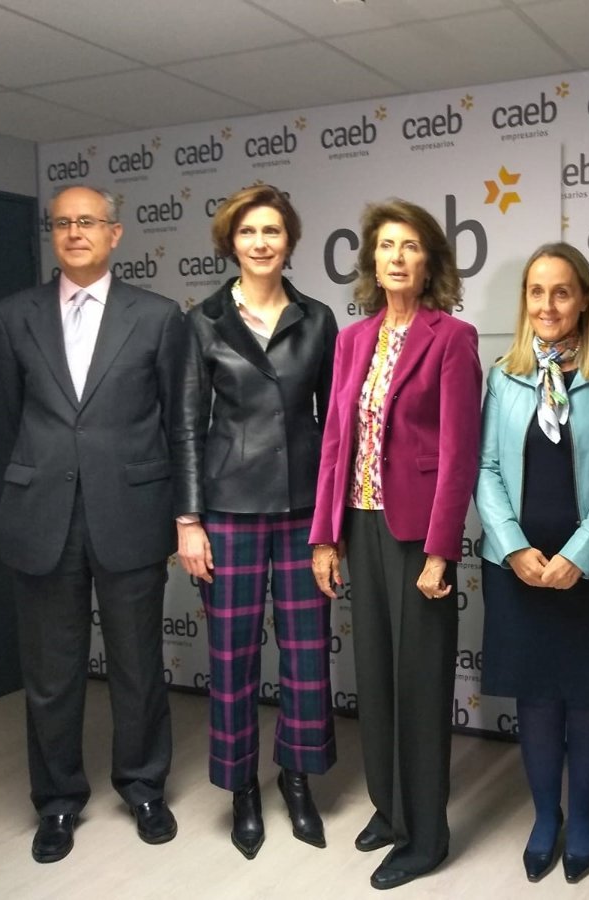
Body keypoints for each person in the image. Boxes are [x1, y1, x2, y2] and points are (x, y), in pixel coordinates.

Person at [0, 185, 184, 863]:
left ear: (115, 233)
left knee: (138, 668)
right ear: (53, 233)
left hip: (131, 513)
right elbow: (10, 417)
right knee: (51, 675)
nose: (74, 232)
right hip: (42, 516)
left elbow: (176, 422)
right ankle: (57, 802)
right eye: (63, 223)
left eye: (88, 222)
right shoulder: (11, 315)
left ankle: (144, 787)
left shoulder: (157, 316)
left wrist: (183, 513)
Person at [310, 199, 482, 891]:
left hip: (418, 536)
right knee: (375, 680)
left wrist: (442, 550)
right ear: (372, 262)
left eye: (410, 246)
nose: (398, 257)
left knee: (420, 686)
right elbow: (335, 442)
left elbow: (460, 453)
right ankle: (389, 808)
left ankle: (426, 836)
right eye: (386, 246)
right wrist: (325, 537)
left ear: (430, 260)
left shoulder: (453, 337)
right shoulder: (354, 339)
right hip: (360, 524)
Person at [173, 184, 338, 859]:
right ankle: (242, 787)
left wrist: (330, 524)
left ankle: (297, 780)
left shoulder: (317, 318)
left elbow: (335, 429)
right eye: (248, 232)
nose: (261, 242)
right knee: (232, 657)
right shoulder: (203, 321)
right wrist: (188, 520)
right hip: (228, 511)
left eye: (272, 230)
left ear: (289, 240)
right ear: (231, 243)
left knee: (306, 657)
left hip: (303, 514)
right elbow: (187, 425)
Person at [476, 242, 589, 884]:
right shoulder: (504, 376)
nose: (547, 305)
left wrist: (578, 556)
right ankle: (546, 816)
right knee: (538, 697)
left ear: (584, 299)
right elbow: (487, 469)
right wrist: (514, 547)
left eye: (562, 291)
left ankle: (584, 816)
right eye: (536, 292)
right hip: (518, 569)